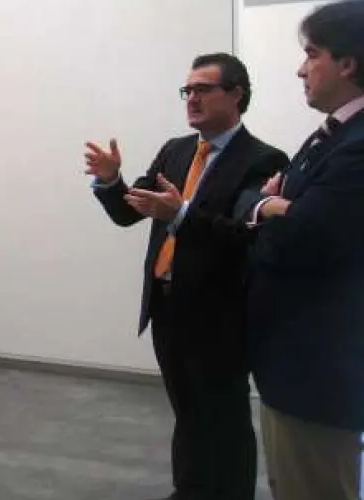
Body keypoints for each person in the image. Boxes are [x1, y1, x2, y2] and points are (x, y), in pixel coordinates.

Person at [85, 53, 288, 500]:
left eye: (203, 89)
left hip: (220, 314)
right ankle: (191, 490)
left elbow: (245, 236)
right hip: (167, 306)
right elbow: (129, 212)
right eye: (187, 90)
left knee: (225, 419)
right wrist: (112, 181)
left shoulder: (263, 160)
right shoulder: (176, 151)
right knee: (189, 413)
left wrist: (180, 215)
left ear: (235, 95)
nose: (191, 98)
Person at [242, 0, 364, 500]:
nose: (300, 69)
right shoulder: (330, 136)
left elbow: (300, 238)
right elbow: (262, 205)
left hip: (319, 370)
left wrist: (268, 210)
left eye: (312, 54)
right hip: (292, 362)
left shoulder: (357, 145)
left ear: (347, 63)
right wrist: (270, 206)